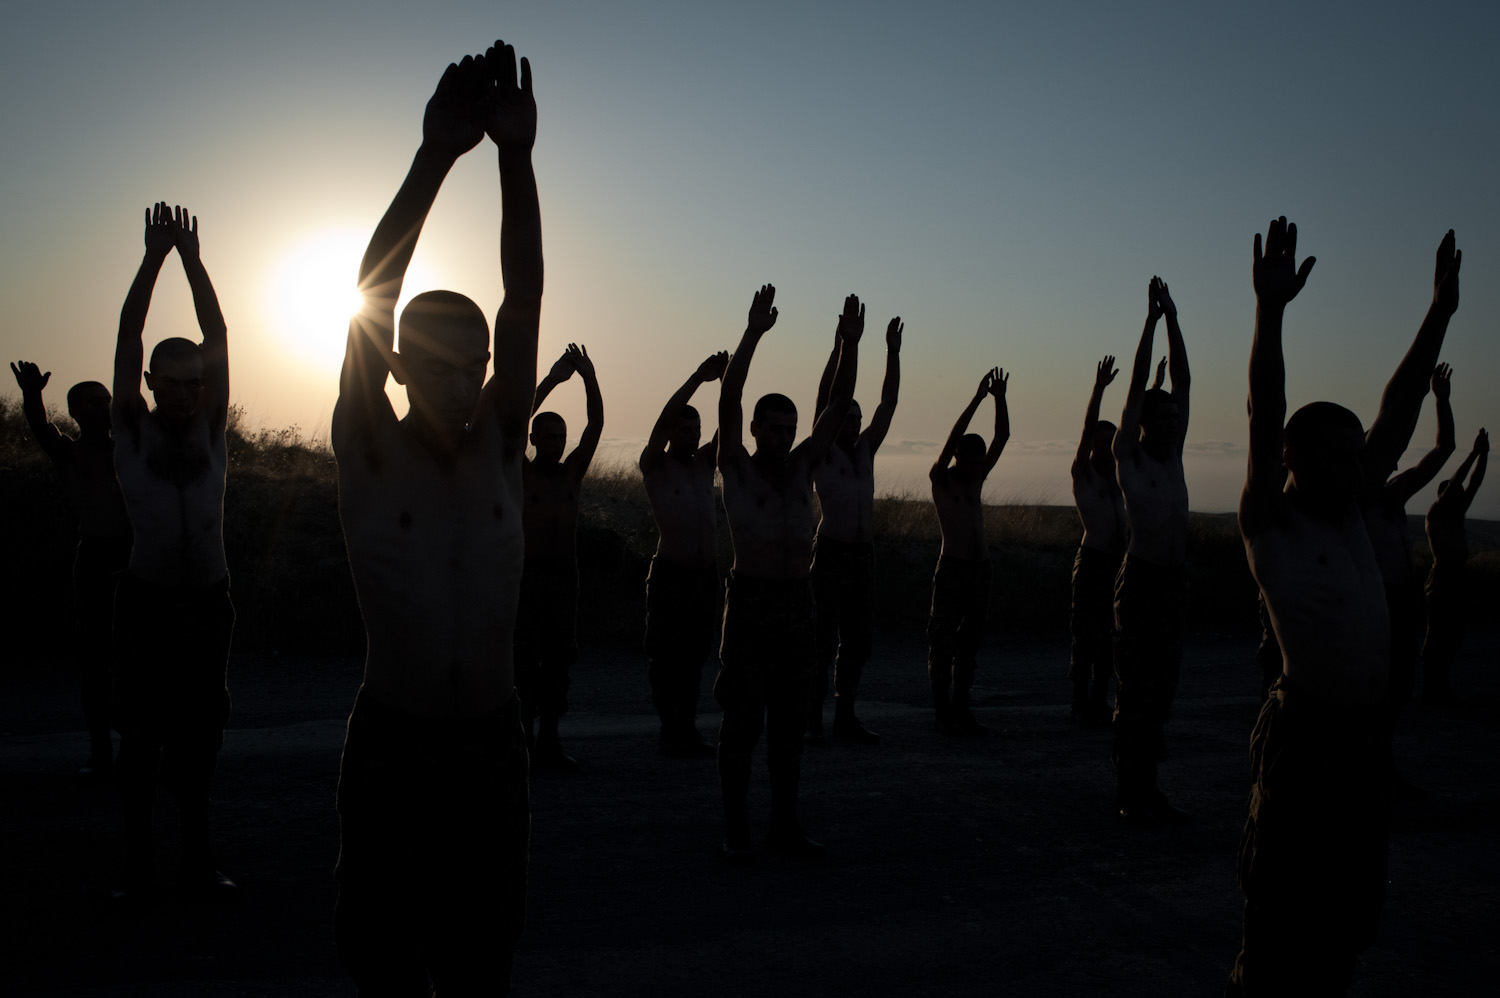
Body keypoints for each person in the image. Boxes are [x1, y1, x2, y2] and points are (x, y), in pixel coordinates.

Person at [330, 43, 538, 995]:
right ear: (399, 367)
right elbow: (367, 300)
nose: (461, 383)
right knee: (384, 963)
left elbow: (524, 298)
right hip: (395, 746)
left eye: (476, 364)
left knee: (479, 964)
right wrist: (434, 160)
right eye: (436, 364)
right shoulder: (372, 449)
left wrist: (513, 159)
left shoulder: (502, 444)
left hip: (493, 744)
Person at [1227, 215, 1405, 995]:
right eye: (1331, 457)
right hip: (1308, 736)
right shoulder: (1275, 523)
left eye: (1357, 456)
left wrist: (1440, 312)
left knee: (1344, 925)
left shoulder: (1357, 518)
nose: (1351, 469)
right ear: (1293, 462)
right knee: (1280, 924)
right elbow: (1266, 410)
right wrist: (1271, 314)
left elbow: (1395, 419)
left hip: (1368, 742)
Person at [110, 201, 235, 898]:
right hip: (149, 602)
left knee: (200, 738)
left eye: (197, 383)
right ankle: (137, 868)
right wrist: (157, 257)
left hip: (209, 603)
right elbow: (130, 335)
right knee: (141, 738)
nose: (187, 393)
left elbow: (217, 331)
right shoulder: (133, 431)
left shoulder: (213, 432)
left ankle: (195, 859)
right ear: (153, 384)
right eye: (174, 382)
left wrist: (194, 257)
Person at [715, 285, 860, 863]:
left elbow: (838, 407)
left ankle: (784, 825)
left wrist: (850, 345)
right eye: (772, 427)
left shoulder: (804, 466)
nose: (782, 435)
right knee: (742, 725)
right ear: (754, 431)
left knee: (790, 724)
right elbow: (730, 395)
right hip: (750, 605)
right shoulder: (737, 468)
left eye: (788, 427)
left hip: (798, 604)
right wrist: (752, 334)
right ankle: (737, 831)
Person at [10, 360, 132, 778]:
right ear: (76, 411)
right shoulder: (71, 453)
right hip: (96, 559)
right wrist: (31, 395)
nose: (103, 407)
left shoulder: (130, 449)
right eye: (93, 402)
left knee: (140, 657)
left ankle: (141, 747)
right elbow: (41, 429)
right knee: (97, 661)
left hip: (136, 557)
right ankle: (101, 754)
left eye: (106, 400)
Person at [1110, 276, 1191, 826]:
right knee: (1136, 690)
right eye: (1161, 419)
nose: (1171, 424)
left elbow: (1183, 380)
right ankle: (1131, 788)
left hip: (1173, 583)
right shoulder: (1131, 458)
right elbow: (1141, 383)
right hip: (1139, 580)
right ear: (1142, 424)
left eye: (1173, 420)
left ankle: (1148, 785)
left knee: (1162, 691)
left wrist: (1175, 319)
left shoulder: (1174, 457)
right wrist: (1149, 323)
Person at [806, 314, 903, 744]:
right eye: (845, 417)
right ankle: (811, 718)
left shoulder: (866, 449)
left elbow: (888, 405)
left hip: (863, 557)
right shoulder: (822, 452)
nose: (852, 422)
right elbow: (824, 399)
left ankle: (845, 715)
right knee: (822, 641)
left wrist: (893, 354)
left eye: (855, 417)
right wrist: (844, 346)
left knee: (858, 642)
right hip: (830, 553)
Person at [516, 342, 603, 771]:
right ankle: (521, 744)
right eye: (548, 437)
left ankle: (549, 742)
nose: (556, 443)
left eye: (560, 438)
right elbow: (512, 421)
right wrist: (553, 379)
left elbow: (596, 425)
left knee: (557, 664)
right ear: (533, 439)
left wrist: (589, 376)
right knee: (522, 662)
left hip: (563, 579)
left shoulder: (571, 474)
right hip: (526, 578)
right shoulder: (523, 473)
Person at [640, 351, 728, 756]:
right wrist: (697, 378)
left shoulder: (705, 464)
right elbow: (662, 419)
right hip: (671, 574)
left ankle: (687, 726)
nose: (692, 436)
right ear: (673, 432)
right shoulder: (656, 464)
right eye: (685, 429)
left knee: (694, 655)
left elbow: (730, 423)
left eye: (697, 429)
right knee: (665, 655)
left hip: (704, 576)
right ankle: (668, 726)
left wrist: (729, 380)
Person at [927, 367, 1009, 736]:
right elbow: (949, 444)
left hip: (980, 569)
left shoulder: (975, 478)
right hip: (953, 568)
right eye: (970, 458)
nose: (979, 466)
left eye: (980, 461)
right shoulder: (942, 480)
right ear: (958, 456)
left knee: (970, 644)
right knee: (943, 641)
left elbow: (1003, 436)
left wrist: (1000, 398)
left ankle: (962, 706)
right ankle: (943, 710)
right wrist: (976, 399)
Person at [1067, 355, 1126, 727]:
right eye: (1101, 442)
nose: (1106, 447)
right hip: (1092, 560)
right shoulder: (1084, 475)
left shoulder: (1123, 479)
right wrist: (1099, 389)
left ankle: (1099, 699)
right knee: (1086, 635)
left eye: (1112, 442)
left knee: (1112, 635)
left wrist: (1153, 382)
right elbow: (1088, 428)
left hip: (1120, 563)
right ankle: (1079, 703)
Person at [1421, 427, 1487, 704]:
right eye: (1455, 492)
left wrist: (1484, 455)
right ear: (1444, 495)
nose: (1462, 495)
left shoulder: (1456, 512)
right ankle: (1430, 686)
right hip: (1443, 577)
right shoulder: (1437, 514)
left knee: (1454, 633)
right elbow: (1460, 482)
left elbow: (1474, 483)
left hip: (1458, 576)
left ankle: (1440, 683)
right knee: (1438, 633)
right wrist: (1472, 453)